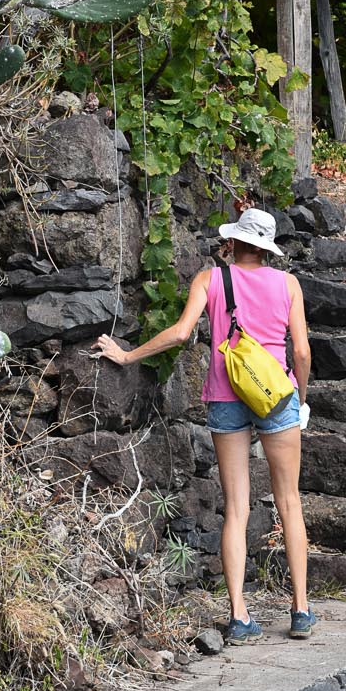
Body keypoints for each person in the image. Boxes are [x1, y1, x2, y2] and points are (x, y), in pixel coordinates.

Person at [90, 207, 315, 645]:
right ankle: (301, 611)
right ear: (267, 247)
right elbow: (302, 352)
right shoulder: (288, 284)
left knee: (236, 508)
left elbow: (179, 333)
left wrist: (126, 355)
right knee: (289, 502)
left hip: (227, 398)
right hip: (276, 397)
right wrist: (300, 400)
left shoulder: (212, 280)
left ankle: (239, 616)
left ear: (233, 241)